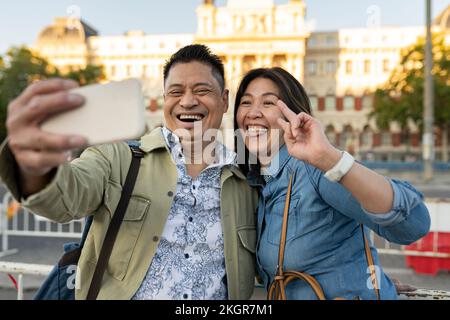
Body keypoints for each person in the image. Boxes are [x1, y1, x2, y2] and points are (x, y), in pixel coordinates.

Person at [0, 44, 258, 300]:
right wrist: (34, 167)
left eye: (202, 90)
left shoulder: (247, 182)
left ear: (224, 101)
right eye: (176, 92)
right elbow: (66, 196)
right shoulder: (118, 159)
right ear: (164, 100)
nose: (188, 101)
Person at [233, 67, 430, 300]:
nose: (253, 112)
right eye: (246, 102)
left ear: (292, 114)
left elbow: (414, 224)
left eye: (268, 103)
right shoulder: (257, 184)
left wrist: (328, 157)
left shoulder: (315, 170)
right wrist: (362, 277)